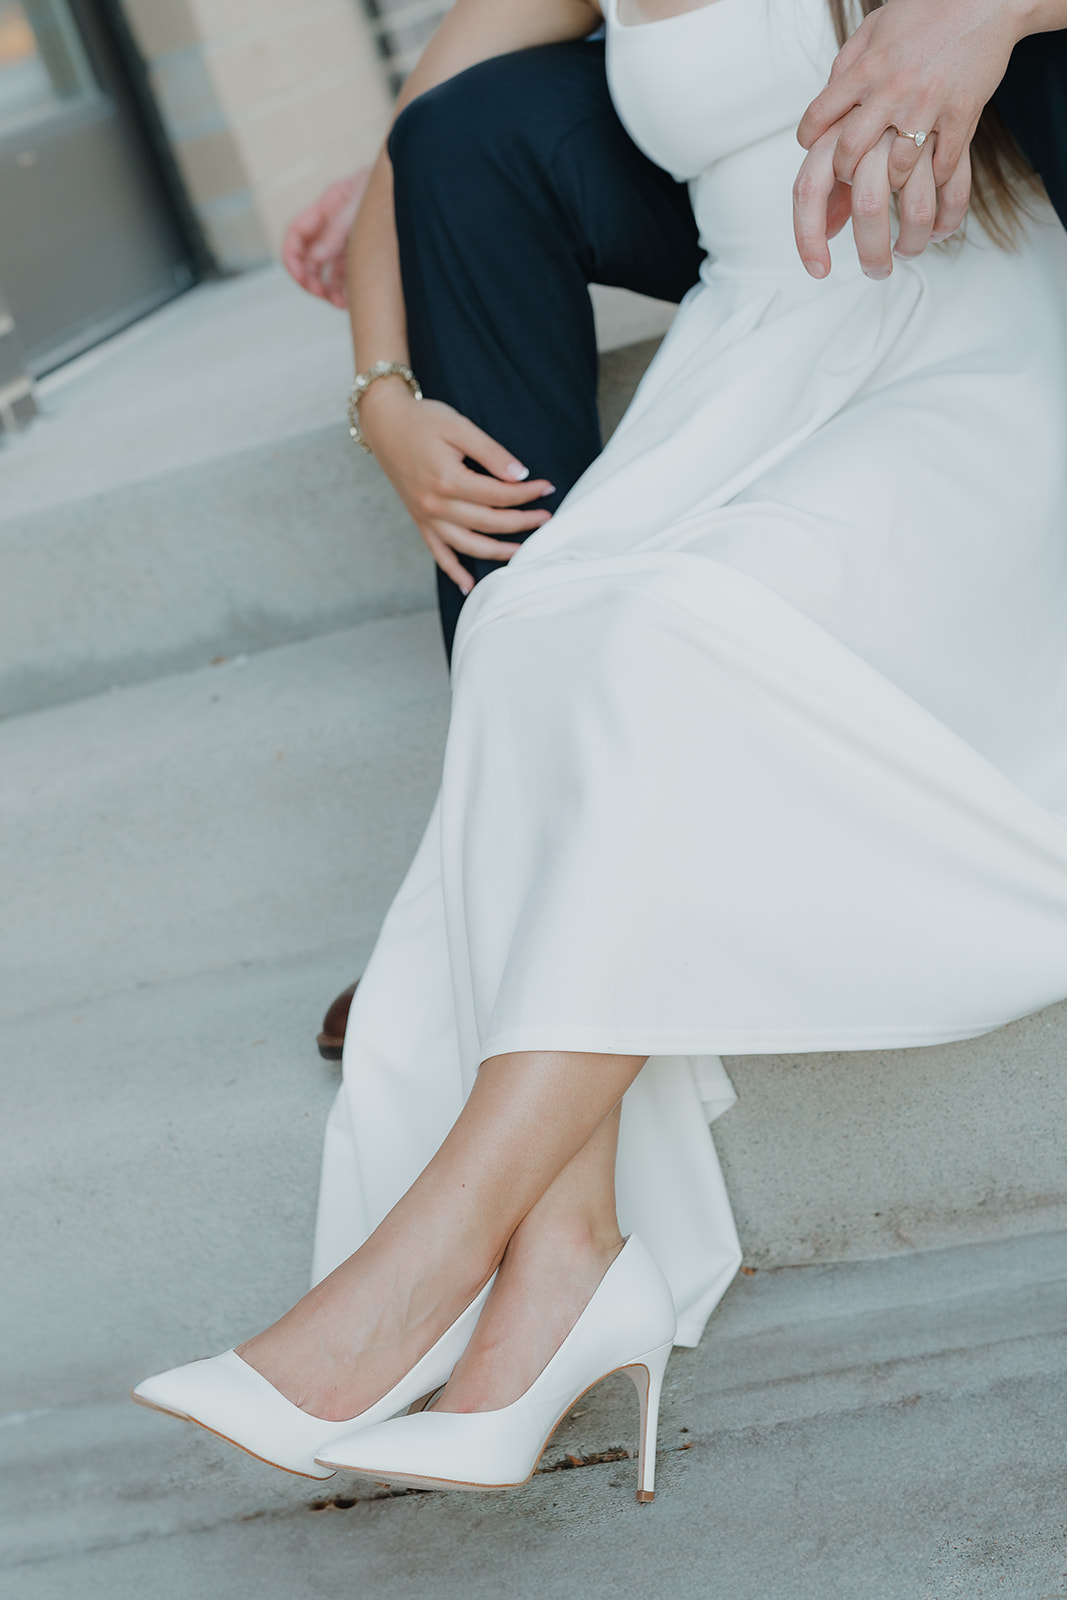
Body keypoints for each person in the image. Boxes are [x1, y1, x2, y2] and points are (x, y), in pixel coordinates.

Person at [134, 0, 1067, 1505]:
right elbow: (415, 138)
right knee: (527, 630)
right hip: (747, 352)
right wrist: (381, 402)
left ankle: (413, 1274)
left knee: (674, 625)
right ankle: (564, 1260)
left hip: (971, 333)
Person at [295, 1, 1067, 1062]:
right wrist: (383, 397)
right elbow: (421, 127)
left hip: (980, 256)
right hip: (758, 287)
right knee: (467, 137)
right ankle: (505, 866)